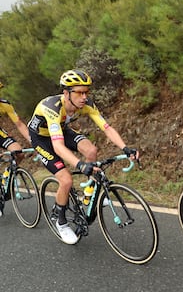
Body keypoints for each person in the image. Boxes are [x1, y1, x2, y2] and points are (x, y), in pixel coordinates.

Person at [28, 70, 139, 244]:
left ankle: (88, 194)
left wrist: (125, 148)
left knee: (91, 151)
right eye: (79, 92)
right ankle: (61, 221)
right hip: (41, 139)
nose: (84, 97)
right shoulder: (52, 107)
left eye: (86, 92)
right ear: (66, 93)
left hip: (61, 130)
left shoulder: (87, 104)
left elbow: (107, 128)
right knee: (65, 180)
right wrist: (80, 165)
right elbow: (57, 146)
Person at [0, 81, 31, 216]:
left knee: (18, 152)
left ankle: (7, 174)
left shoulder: (5, 104)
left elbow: (19, 124)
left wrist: (33, 141)